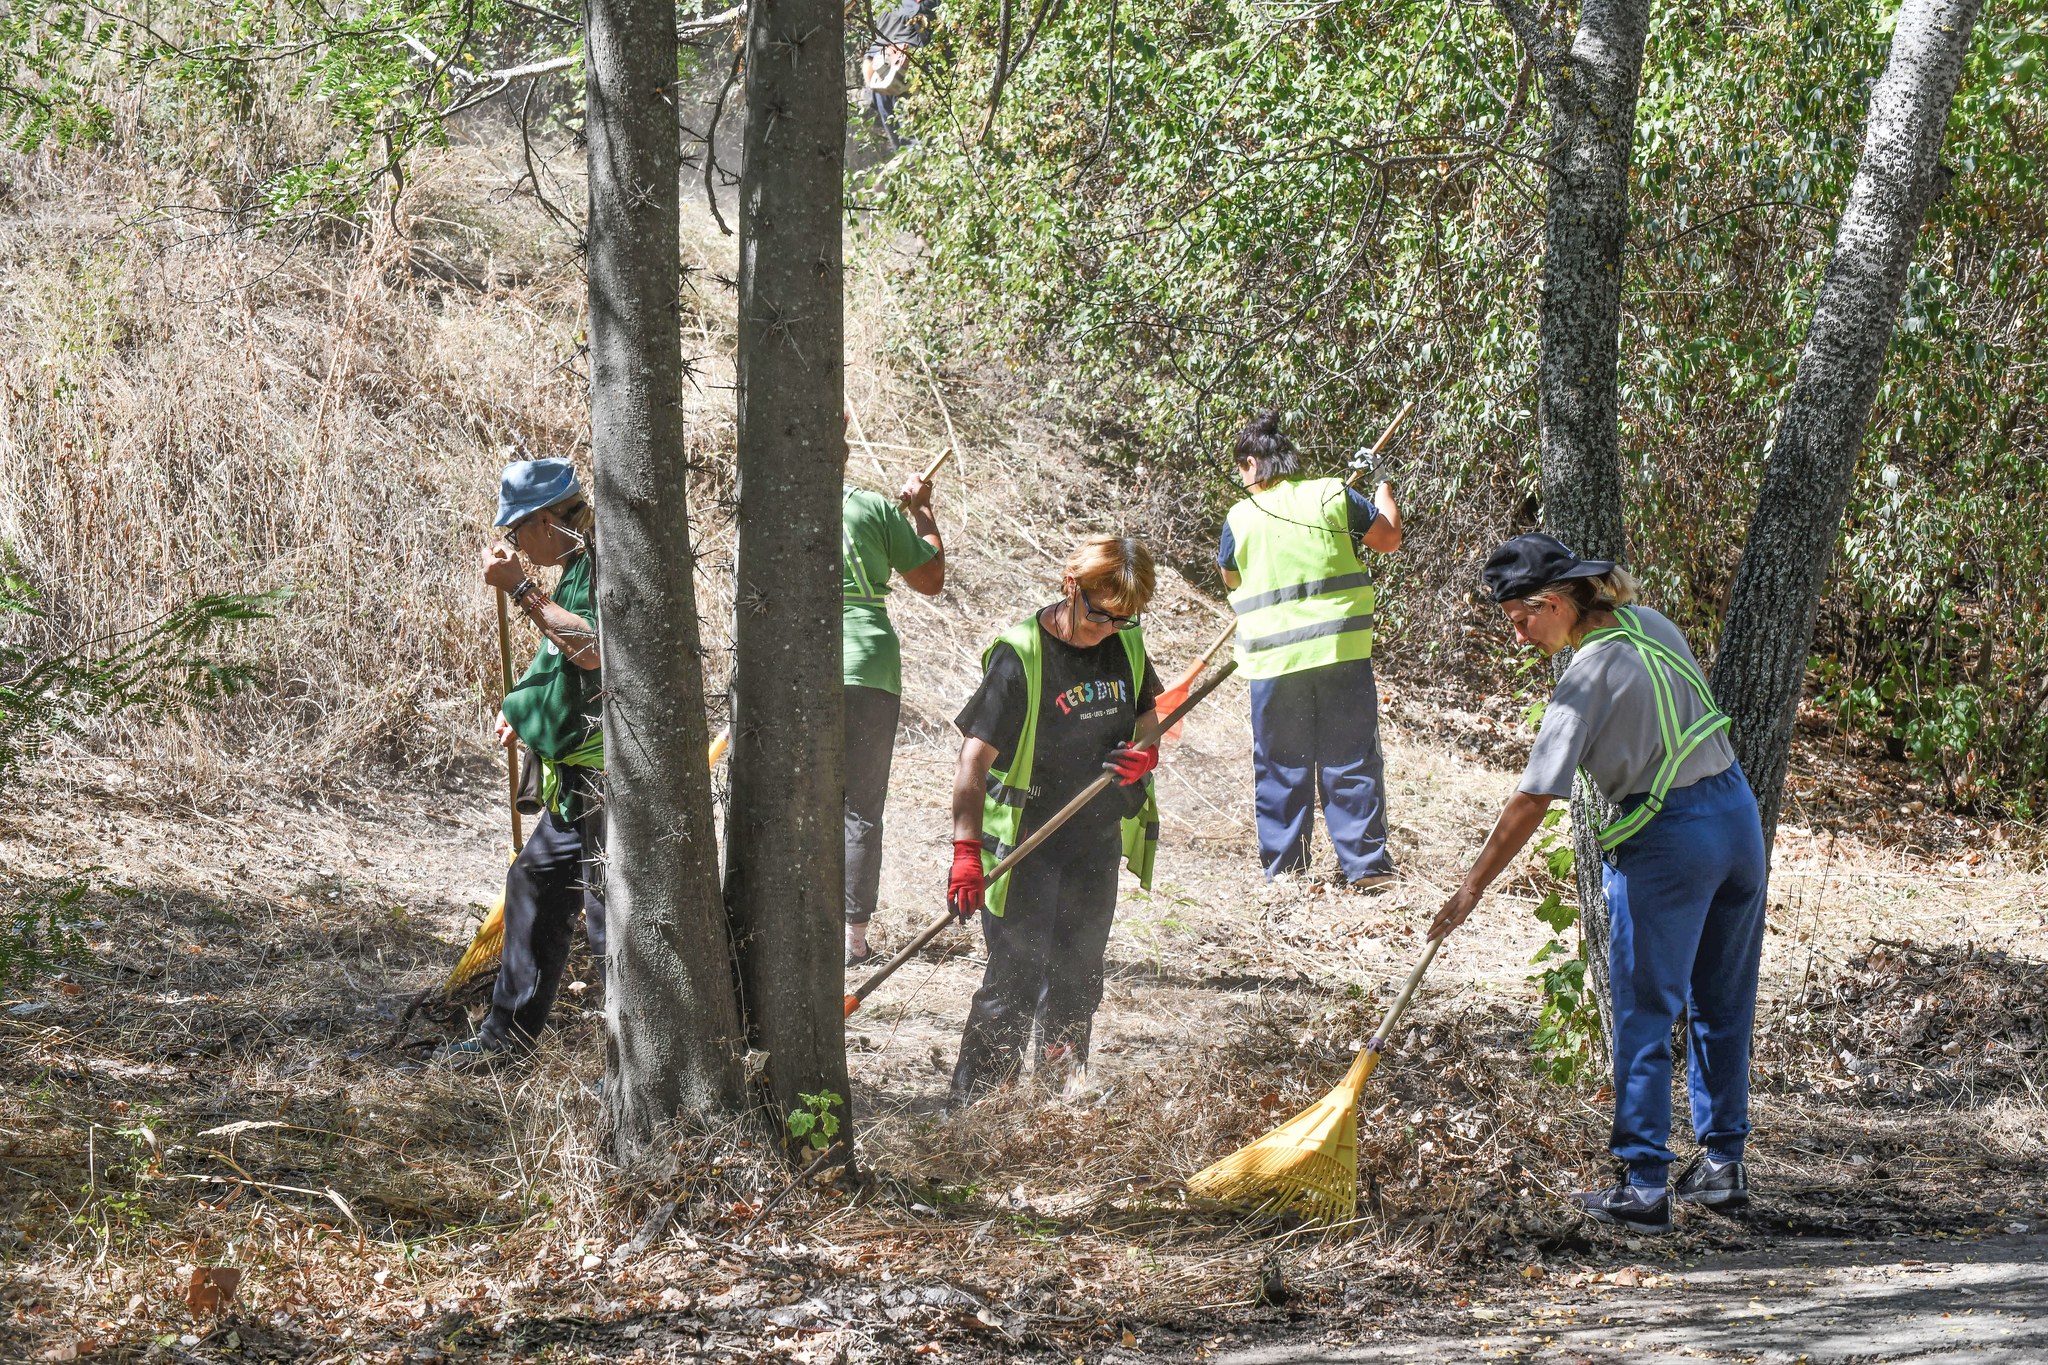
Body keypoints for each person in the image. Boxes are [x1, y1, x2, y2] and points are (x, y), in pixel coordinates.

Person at [1427, 533, 1768, 1233]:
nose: (1520, 637)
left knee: (1645, 1010)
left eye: (1520, 620)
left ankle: (1644, 1186)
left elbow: (1532, 798)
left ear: (1553, 603)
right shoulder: (1653, 624)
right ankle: (1722, 1166)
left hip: (1672, 840)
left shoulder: (1582, 683)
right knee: (1722, 1001)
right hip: (1738, 822)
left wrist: (1471, 888)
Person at [946, 535, 1162, 1105]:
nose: (1109, 629)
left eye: (1124, 619)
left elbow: (1149, 719)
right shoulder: (1020, 656)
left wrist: (1145, 755)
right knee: (1014, 978)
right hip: (1027, 844)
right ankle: (976, 1108)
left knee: (1078, 974)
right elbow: (972, 763)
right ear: (1072, 586)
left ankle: (1057, 1096)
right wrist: (965, 854)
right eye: (1100, 614)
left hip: (1095, 835)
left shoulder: (1125, 639)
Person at [447, 458, 606, 1064]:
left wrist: (520, 589)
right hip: (579, 780)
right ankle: (503, 1045)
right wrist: (523, 707)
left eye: (517, 530)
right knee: (534, 883)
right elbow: (559, 666)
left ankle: (633, 1071)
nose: (517, 544)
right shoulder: (573, 569)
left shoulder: (602, 563)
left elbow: (590, 650)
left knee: (608, 920)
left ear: (544, 520)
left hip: (615, 780)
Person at [1217, 411, 1403, 889]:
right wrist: (1382, 482)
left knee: (1280, 765)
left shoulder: (1240, 517)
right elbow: (1388, 538)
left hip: (1274, 663)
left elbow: (1231, 579)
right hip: (1340, 652)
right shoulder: (1332, 494)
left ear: (1252, 463)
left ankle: (1286, 876)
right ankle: (1366, 869)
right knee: (1350, 758)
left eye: (1241, 470)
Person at [843, 438, 946, 966]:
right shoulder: (872, 508)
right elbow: (930, 577)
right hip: (868, 667)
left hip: (800, 667)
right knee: (861, 806)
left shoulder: (778, 507)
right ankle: (852, 940)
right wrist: (921, 510)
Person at [861, 0, 939, 150]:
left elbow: (869, 58)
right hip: (908, 85)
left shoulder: (888, 7)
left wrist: (874, 88)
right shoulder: (926, 6)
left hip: (883, 86)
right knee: (923, 150)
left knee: (906, 152)